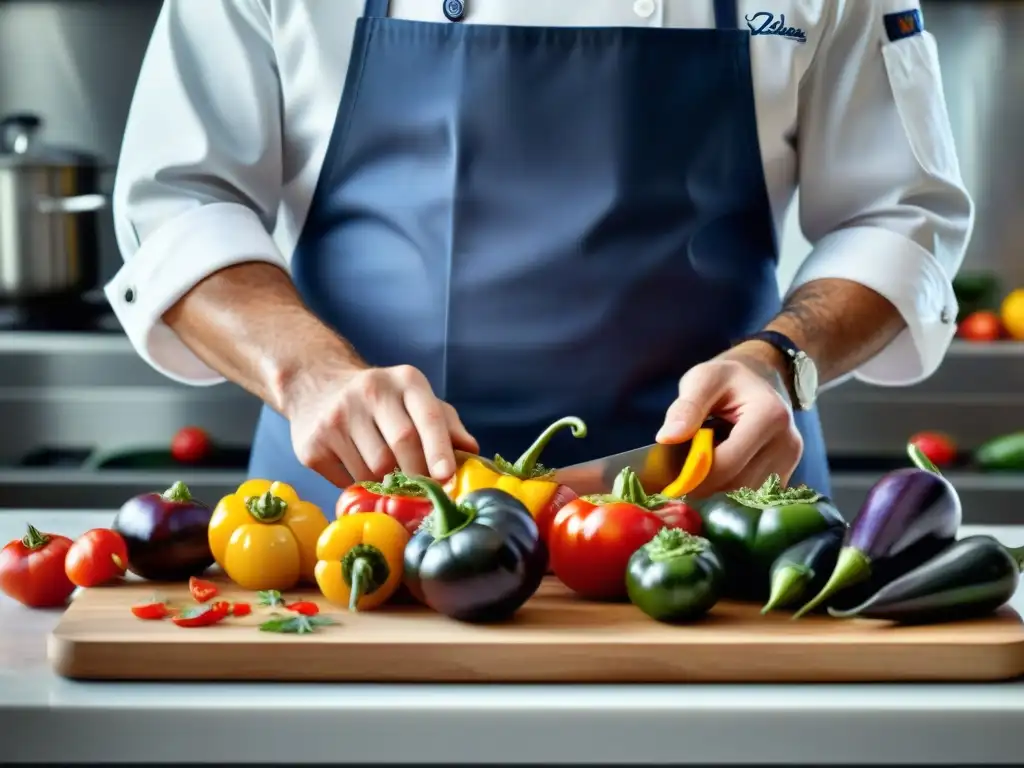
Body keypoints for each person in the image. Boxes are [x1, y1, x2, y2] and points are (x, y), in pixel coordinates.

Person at [106, 0, 973, 514]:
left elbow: (901, 215)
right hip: (355, 532)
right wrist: (308, 373)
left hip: (716, 518)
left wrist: (783, 361)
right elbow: (181, 198)